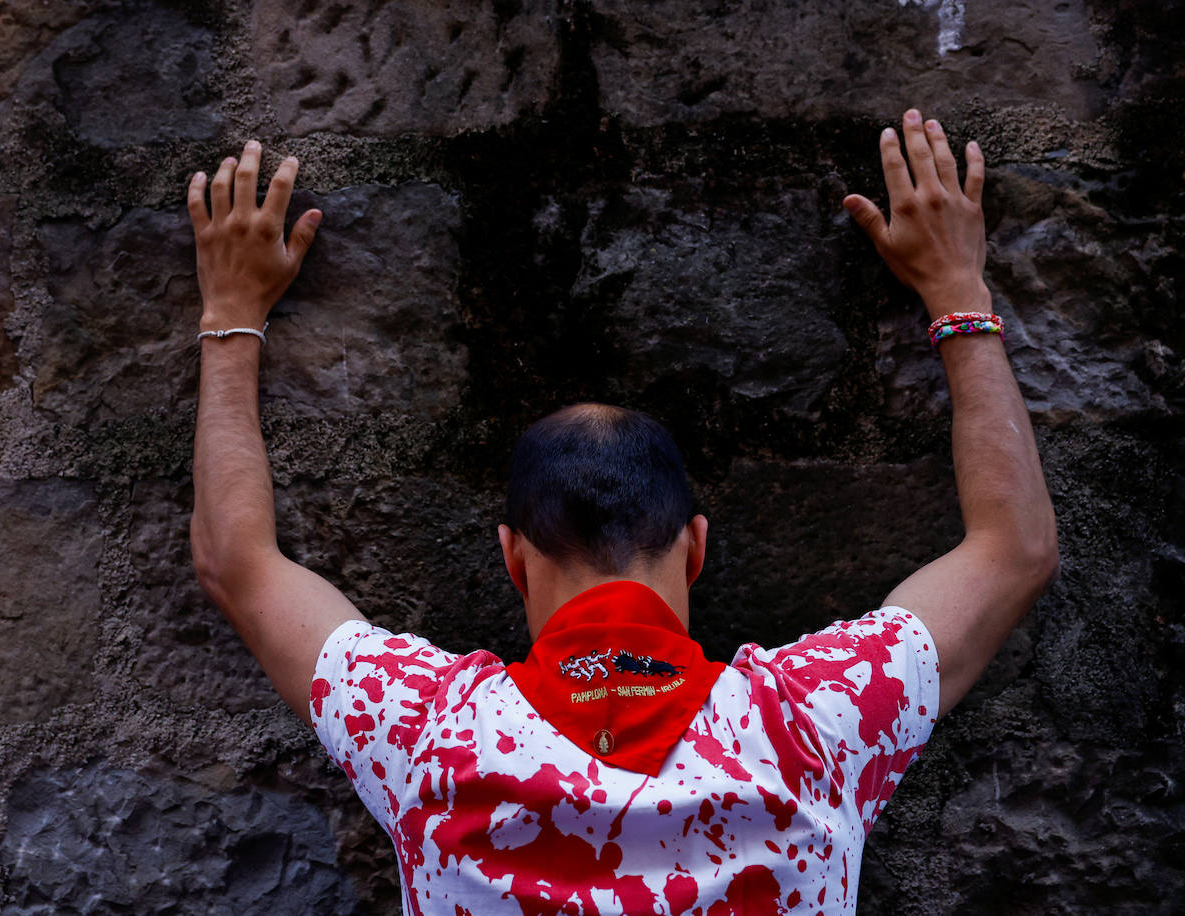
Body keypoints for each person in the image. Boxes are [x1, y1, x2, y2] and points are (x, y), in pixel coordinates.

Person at [186, 109, 1058, 914]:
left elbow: (239, 562)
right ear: (698, 548)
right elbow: (1013, 549)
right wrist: (957, 296)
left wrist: (230, 316)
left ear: (512, 558)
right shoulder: (817, 720)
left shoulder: (423, 733)